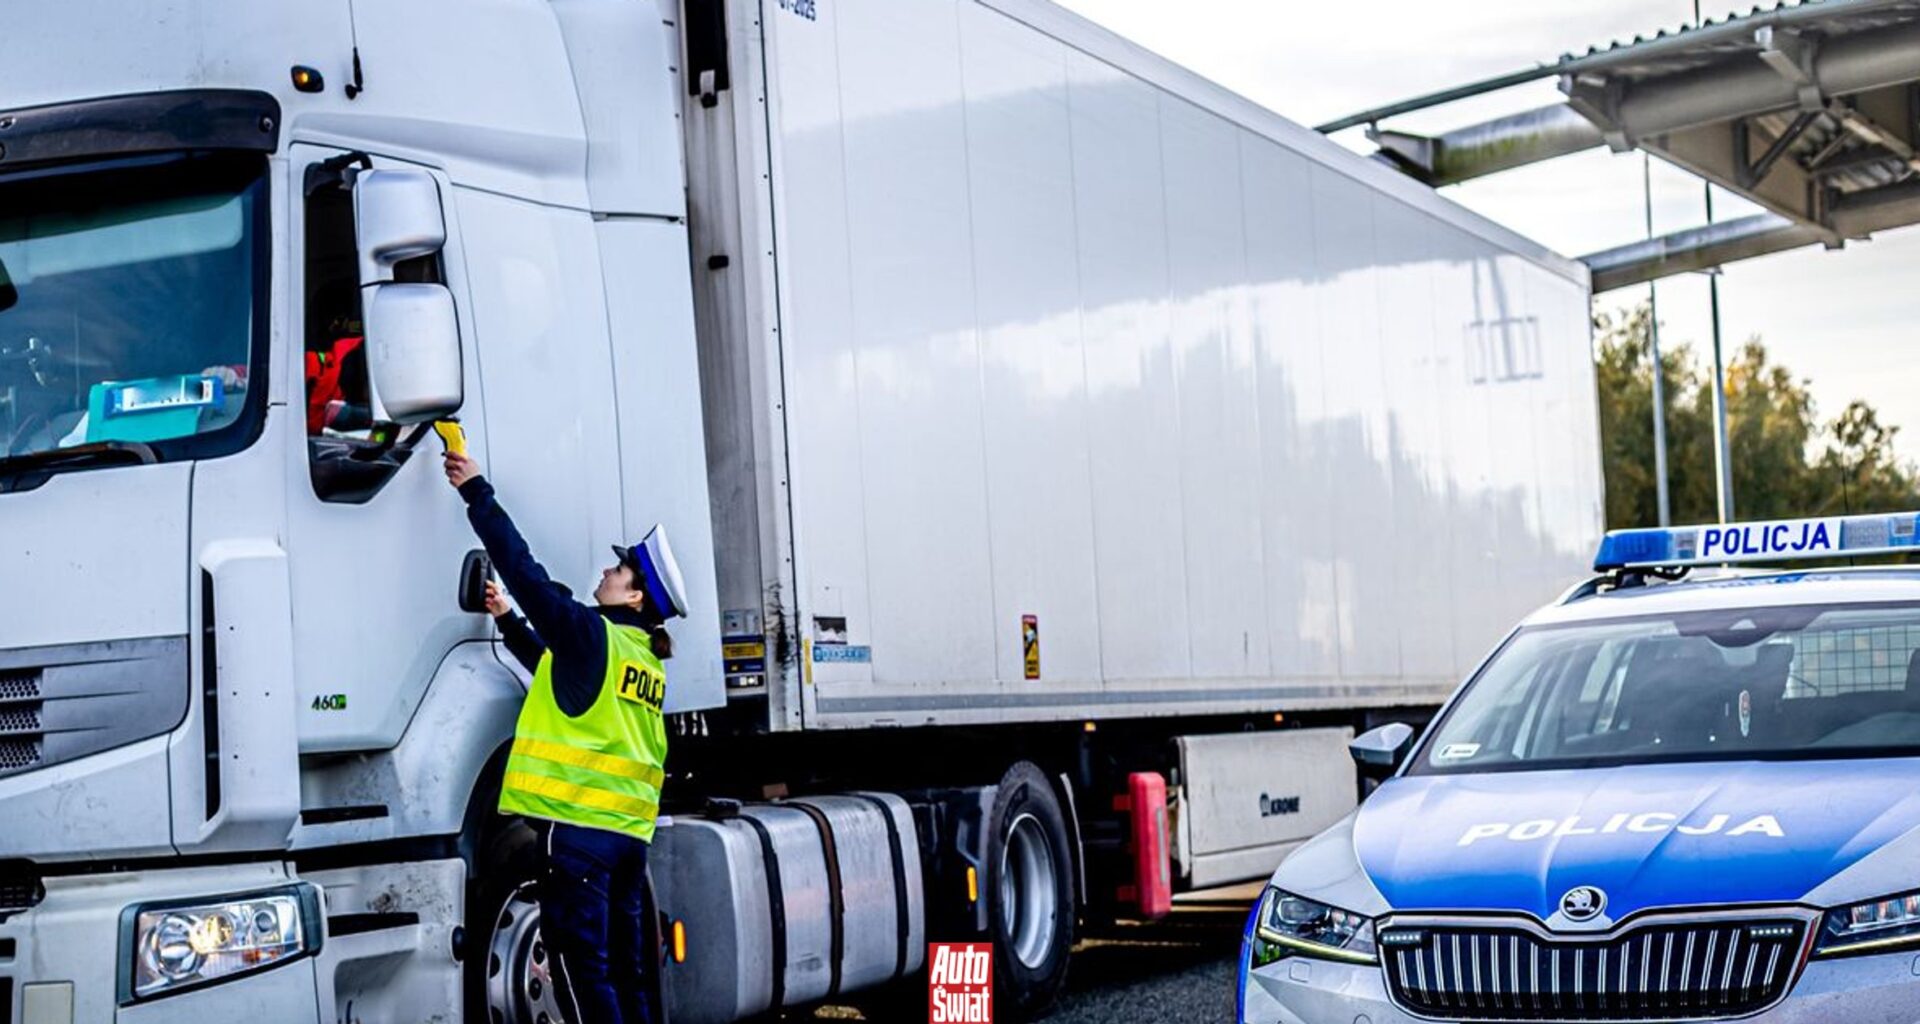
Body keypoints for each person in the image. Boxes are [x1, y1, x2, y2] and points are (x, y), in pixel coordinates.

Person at [443, 448, 687, 1024]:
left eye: (618, 572)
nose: (605, 573)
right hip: (627, 841)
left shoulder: (592, 635)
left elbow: (523, 569)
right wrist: (508, 621)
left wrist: (476, 491)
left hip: (580, 836)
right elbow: (566, 681)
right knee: (626, 975)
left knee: (581, 976)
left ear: (634, 596)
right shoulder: (640, 656)